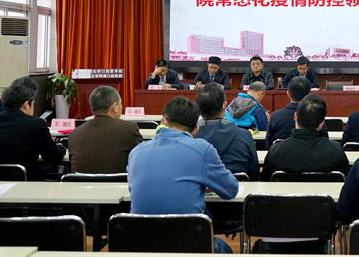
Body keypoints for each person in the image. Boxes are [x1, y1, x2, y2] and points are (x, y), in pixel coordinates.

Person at [127, 96, 239, 253]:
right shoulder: (202, 149)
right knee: (225, 249)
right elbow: (230, 190)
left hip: (140, 243)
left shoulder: (137, 151)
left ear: (163, 120)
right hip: (187, 242)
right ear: (196, 129)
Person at [0, 85, 66, 181]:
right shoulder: (37, 124)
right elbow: (52, 156)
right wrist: (61, 147)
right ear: (26, 105)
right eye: (33, 104)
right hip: (25, 183)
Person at [261, 94, 349, 181]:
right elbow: (346, 181)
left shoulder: (276, 151)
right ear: (322, 124)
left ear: (295, 116)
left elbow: (265, 182)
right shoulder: (336, 151)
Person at [68, 86, 143, 173]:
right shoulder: (129, 129)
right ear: (115, 107)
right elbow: (141, 157)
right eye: (120, 103)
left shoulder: (74, 135)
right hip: (119, 181)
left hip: (80, 182)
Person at [194, 83, 259, 180]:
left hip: (200, 187)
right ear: (224, 106)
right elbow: (254, 171)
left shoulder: (189, 138)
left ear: (198, 108)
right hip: (238, 187)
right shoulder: (244, 135)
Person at [266, 76, 329, 149]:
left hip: (282, 154)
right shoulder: (316, 114)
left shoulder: (275, 116)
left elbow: (269, 145)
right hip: (313, 153)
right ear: (309, 95)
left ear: (288, 94)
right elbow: (325, 141)